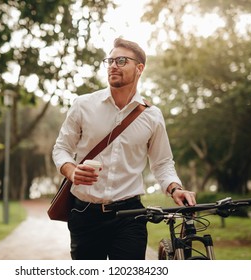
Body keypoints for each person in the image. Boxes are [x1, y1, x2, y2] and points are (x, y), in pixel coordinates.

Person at [52, 37, 196, 260]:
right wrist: (71, 171)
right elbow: (61, 148)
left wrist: (175, 188)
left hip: (130, 216)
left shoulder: (152, 116)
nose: (112, 66)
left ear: (139, 68)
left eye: (121, 61)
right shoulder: (83, 105)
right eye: (109, 60)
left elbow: (162, 163)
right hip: (84, 214)